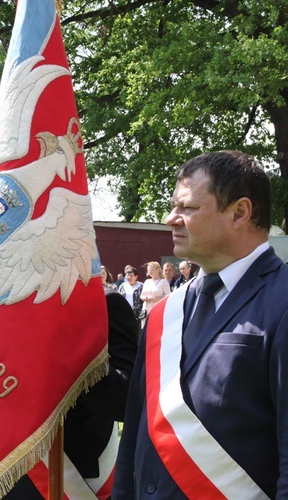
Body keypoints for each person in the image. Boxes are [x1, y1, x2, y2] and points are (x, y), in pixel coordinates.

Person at [114, 150, 288, 498]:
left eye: (188, 208)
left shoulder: (282, 301)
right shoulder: (165, 313)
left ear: (240, 212)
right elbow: (133, 440)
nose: (170, 218)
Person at [0, 282, 139, 499]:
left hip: (73, 475)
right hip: (4, 473)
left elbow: (126, 399)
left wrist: (62, 359)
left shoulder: (105, 302)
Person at [139, 261, 171, 326]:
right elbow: (141, 295)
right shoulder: (147, 282)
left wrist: (155, 299)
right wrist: (145, 298)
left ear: (157, 270)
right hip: (146, 310)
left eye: (152, 270)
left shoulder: (163, 282)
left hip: (157, 309)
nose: (149, 272)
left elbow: (168, 296)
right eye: (148, 270)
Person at [118, 265, 143, 334]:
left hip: (137, 317)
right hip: (124, 315)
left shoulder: (141, 286)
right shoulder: (122, 286)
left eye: (131, 275)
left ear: (136, 277)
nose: (129, 277)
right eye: (127, 275)